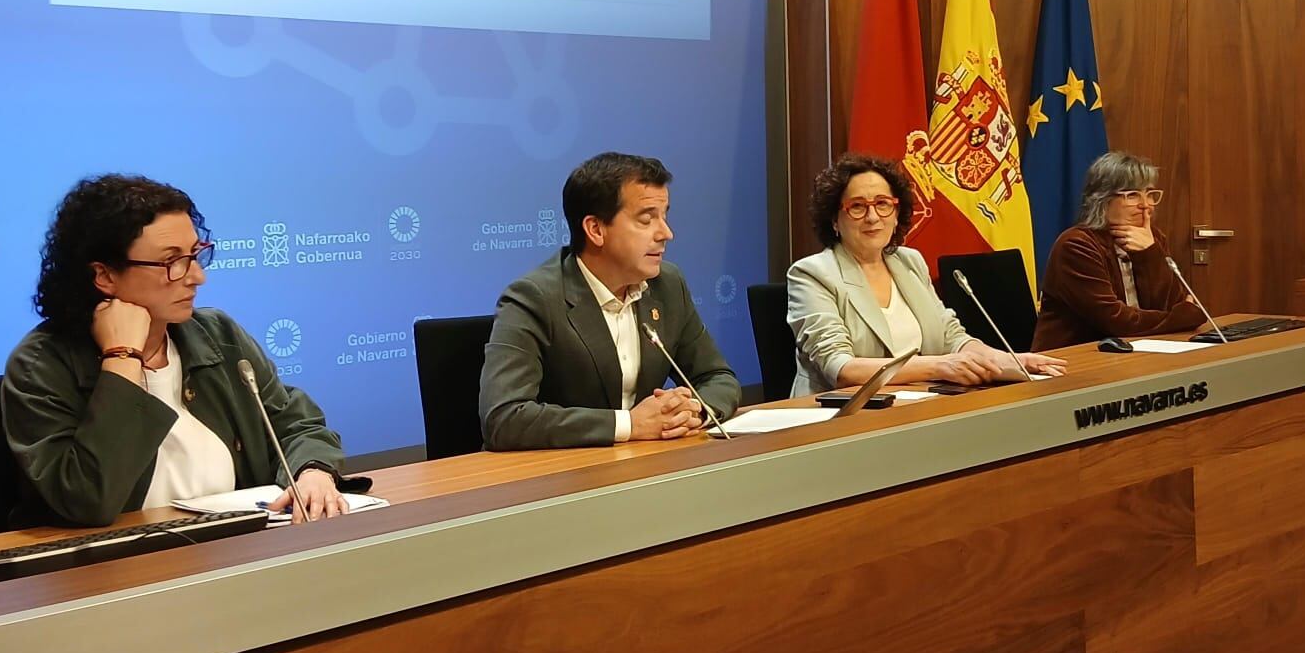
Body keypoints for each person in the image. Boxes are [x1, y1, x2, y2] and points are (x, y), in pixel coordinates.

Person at [3, 174, 353, 527]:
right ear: (104, 276)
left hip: (235, 547)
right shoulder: (40, 366)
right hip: (116, 557)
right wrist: (122, 357)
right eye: (171, 261)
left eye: (195, 255)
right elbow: (89, 500)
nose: (197, 276)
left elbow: (295, 424)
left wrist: (313, 472)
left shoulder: (217, 334)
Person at [479, 152, 740, 451]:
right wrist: (630, 425)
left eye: (664, 216)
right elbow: (504, 417)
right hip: (562, 471)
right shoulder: (534, 298)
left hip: (646, 464)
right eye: (647, 219)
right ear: (595, 229)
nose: (666, 233)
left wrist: (693, 410)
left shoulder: (667, 285)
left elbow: (717, 377)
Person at [787, 154, 1066, 396]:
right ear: (835, 221)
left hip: (917, 406)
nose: (873, 217)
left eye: (883, 204)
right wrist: (939, 366)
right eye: (857, 207)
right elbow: (842, 369)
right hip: (839, 417)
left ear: (896, 213)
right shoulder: (812, 274)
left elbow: (951, 338)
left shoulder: (909, 262)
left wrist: (1008, 361)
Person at [1032, 151, 1206, 350]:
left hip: (1138, 350)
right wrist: (1183, 317)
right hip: (1078, 356)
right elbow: (1116, 321)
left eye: (1149, 194)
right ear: (1102, 200)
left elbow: (1171, 304)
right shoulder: (1076, 245)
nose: (1145, 205)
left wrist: (1150, 254)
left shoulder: (1152, 238)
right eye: (1132, 195)